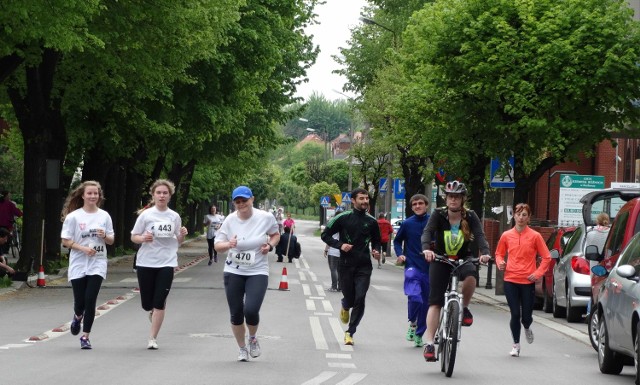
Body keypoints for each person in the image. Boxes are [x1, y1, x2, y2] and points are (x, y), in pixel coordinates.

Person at [421, 181, 491, 361]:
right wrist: (427, 249)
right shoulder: (438, 214)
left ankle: (464, 308)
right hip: (441, 258)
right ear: (446, 198)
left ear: (462, 199)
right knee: (435, 301)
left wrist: (485, 253)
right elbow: (427, 233)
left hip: (463, 257)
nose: (453, 200)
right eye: (450, 196)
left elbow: (481, 236)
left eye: (457, 197)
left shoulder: (471, 216)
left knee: (471, 276)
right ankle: (429, 343)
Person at [214, 185, 280, 362]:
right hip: (233, 271)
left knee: (250, 310)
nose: (242, 204)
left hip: (257, 270)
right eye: (238, 201)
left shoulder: (265, 217)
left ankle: (252, 338)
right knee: (236, 313)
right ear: (234, 203)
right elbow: (217, 246)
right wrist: (229, 244)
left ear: (252, 199)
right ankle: (242, 348)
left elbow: (275, 234)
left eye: (245, 200)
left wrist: (270, 245)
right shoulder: (229, 220)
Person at [131, 179, 188, 350]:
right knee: (147, 304)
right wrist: (143, 238)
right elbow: (134, 236)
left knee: (160, 301)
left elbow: (177, 241)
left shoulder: (174, 216)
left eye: (165, 193)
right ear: (153, 195)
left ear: (170, 196)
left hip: (167, 262)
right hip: (146, 262)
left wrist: (183, 234)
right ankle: (151, 311)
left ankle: (152, 338)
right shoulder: (146, 215)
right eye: (159, 193)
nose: (162, 196)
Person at [321, 188, 382, 346]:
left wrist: (376, 250)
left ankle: (350, 332)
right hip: (346, 265)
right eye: (361, 198)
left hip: (364, 266)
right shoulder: (342, 218)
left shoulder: (372, 221)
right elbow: (325, 235)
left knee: (360, 298)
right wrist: (340, 245)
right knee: (349, 297)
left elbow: (377, 240)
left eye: (366, 198)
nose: (365, 201)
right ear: (353, 201)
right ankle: (345, 305)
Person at [60, 181, 115, 350]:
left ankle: (86, 336)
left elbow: (111, 240)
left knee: (91, 300)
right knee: (80, 302)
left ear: (99, 196)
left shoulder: (104, 216)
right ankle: (77, 317)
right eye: (89, 193)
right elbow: (65, 241)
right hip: (78, 262)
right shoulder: (74, 217)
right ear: (83, 195)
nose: (93, 196)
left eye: (95, 193)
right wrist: (83, 248)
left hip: (97, 262)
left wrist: (105, 235)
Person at [495, 203, 551, 357]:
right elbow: (498, 254)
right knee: (515, 314)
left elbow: (546, 257)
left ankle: (527, 326)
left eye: (524, 215)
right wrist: (500, 263)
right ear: (514, 216)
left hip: (527, 281)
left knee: (526, 316)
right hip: (510, 279)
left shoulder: (535, 236)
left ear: (529, 218)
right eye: (518, 214)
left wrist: (538, 273)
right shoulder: (506, 235)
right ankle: (516, 345)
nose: (521, 218)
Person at [393, 194, 430, 348]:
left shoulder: (433, 222)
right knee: (415, 297)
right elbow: (396, 241)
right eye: (414, 204)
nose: (417, 206)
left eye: (420, 203)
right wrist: (400, 253)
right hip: (412, 266)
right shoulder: (407, 223)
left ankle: (419, 334)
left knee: (426, 303)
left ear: (426, 205)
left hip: (430, 268)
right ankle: (413, 323)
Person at [585, 212, 610, 319]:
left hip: (594, 265)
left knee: (594, 289)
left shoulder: (590, 234)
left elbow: (587, 250)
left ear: (597, 220)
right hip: (607, 265)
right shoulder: (610, 232)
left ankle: (590, 311)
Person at [324, 207, 344, 292]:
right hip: (343, 250)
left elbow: (329, 238)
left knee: (333, 269)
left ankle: (334, 286)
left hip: (333, 250)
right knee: (340, 269)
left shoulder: (332, 225)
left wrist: (326, 249)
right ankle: (340, 287)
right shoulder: (346, 225)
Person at [0, 190, 22, 259]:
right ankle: (4, 253)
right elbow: (18, 213)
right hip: (7, 224)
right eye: (9, 195)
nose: (10, 197)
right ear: (6, 196)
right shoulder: (10, 204)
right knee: (8, 236)